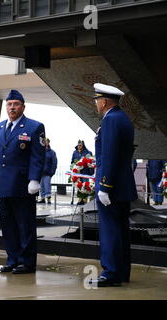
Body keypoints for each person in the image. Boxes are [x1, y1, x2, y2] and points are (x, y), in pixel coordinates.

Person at [0, 89, 45, 274]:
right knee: (8, 226)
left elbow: (37, 156)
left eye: (16, 104)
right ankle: (12, 259)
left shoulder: (34, 127)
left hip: (22, 185)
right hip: (2, 185)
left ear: (23, 107)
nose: (12, 107)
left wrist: (35, 179)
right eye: (9, 104)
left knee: (25, 226)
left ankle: (26, 262)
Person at [90, 83, 137, 287]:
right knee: (120, 231)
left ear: (105, 101)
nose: (96, 104)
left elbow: (109, 155)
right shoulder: (122, 118)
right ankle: (121, 271)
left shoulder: (110, 120)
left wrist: (105, 186)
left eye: (97, 100)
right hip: (123, 185)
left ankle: (110, 273)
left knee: (110, 231)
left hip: (112, 187)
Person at [71, 140, 93, 205]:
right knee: (78, 185)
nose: (79, 146)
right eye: (78, 145)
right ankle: (80, 199)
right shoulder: (75, 152)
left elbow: (90, 160)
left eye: (80, 145)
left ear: (83, 145)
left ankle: (85, 199)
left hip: (85, 172)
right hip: (77, 172)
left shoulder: (88, 152)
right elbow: (72, 161)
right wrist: (74, 165)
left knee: (85, 185)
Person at [38, 138, 57, 204]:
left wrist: (52, 172)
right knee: (41, 186)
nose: (45, 143)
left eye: (47, 142)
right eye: (44, 142)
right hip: (40, 172)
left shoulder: (52, 152)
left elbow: (54, 163)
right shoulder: (40, 152)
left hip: (48, 172)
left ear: (49, 143)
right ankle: (42, 198)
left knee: (47, 185)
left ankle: (48, 199)